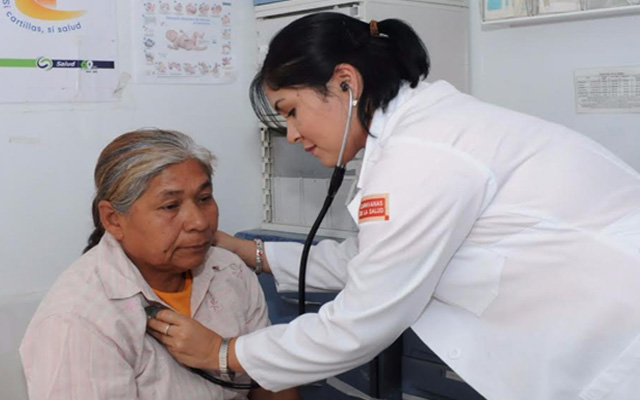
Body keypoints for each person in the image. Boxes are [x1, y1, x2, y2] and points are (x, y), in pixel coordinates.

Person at [147, 12, 640, 400]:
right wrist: (251, 252)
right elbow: (374, 259)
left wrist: (225, 352)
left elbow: (362, 321)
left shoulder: (423, 153)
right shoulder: (421, 133)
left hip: (618, 331)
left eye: (291, 112)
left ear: (346, 82)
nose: (292, 134)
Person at [20, 129, 300, 400]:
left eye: (204, 199)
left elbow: (270, 383)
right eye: (170, 206)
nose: (199, 222)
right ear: (113, 220)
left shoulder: (229, 271)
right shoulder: (80, 319)